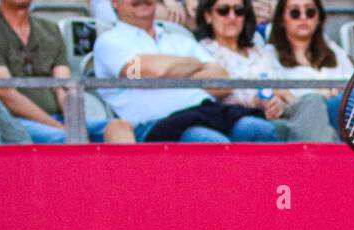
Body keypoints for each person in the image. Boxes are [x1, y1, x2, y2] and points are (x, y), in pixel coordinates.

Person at [94, 0, 280, 142]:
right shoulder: (110, 41)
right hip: (155, 126)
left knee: (260, 130)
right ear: (114, 2)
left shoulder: (178, 39)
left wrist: (167, 71)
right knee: (211, 143)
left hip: (208, 113)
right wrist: (195, 64)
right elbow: (148, 71)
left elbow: (222, 82)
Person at [0, 0, 134, 144]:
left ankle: (127, 182)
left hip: (60, 119)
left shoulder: (50, 29)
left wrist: (73, 126)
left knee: (119, 127)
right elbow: (7, 94)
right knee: (67, 140)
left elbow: (64, 87)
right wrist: (62, 129)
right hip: (12, 122)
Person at [195, 0, 332, 141]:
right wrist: (254, 102)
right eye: (223, 10)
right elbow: (207, 96)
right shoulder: (203, 52)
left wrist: (278, 103)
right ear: (208, 16)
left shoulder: (259, 53)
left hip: (277, 114)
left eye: (239, 10)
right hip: (238, 117)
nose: (232, 17)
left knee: (314, 101)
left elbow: (281, 91)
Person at [267, 0, 353, 131]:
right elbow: (278, 95)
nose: (303, 17)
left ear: (318, 18)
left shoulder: (334, 51)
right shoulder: (270, 54)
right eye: (295, 12)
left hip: (343, 115)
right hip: (300, 118)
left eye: (310, 12)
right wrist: (322, 97)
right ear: (281, 20)